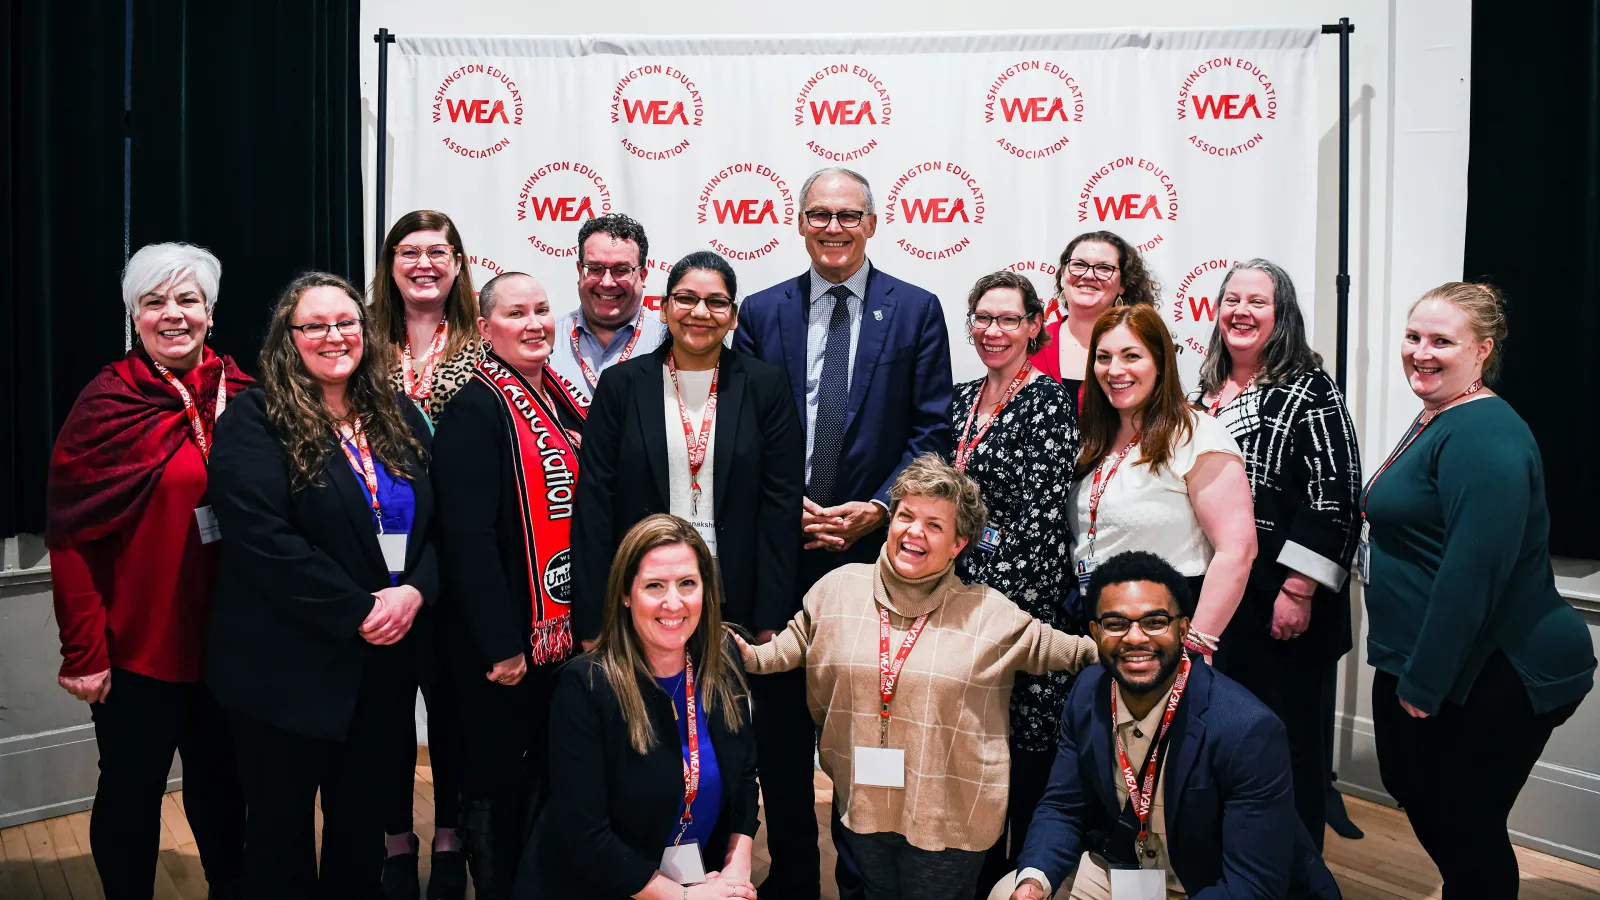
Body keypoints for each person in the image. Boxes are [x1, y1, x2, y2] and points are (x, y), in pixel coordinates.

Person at [730, 166, 953, 900]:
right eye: (820, 215)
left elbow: (931, 431)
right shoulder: (762, 311)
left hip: (875, 559)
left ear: (872, 224)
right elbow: (741, 426)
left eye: (848, 215)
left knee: (872, 726)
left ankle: (867, 877)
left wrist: (881, 508)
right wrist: (782, 504)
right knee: (780, 730)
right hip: (781, 552)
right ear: (800, 223)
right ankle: (794, 873)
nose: (834, 228)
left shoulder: (915, 309)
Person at [736, 455, 1098, 900]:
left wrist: (1136, 650)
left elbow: (1074, 652)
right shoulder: (838, 588)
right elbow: (796, 643)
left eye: (934, 525)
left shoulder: (989, 614)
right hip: (864, 802)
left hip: (949, 823)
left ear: (958, 544)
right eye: (906, 516)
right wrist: (750, 657)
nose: (914, 532)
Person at [207, 272, 437, 899]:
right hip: (286, 669)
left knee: (359, 834)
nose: (334, 336)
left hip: (380, 665)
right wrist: (358, 609)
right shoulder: (255, 419)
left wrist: (415, 591)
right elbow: (263, 540)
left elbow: (439, 524)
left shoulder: (396, 414)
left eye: (346, 322)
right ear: (289, 337)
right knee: (279, 840)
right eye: (315, 325)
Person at [1361, 282, 1595, 897]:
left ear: (1482, 350)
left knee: (1466, 826)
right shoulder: (1440, 414)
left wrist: (1426, 682)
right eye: (1413, 337)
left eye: (1442, 341)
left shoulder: (1485, 433)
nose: (1421, 352)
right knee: (1423, 795)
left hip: (1495, 666)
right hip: (1433, 656)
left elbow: (1475, 573)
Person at [46, 242, 249, 900]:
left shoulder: (248, 396)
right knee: (130, 796)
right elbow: (71, 536)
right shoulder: (107, 403)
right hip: (138, 652)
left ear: (211, 312)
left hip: (231, 647)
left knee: (227, 792)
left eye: (188, 300)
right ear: (135, 317)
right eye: (154, 302)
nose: (173, 314)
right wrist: (84, 652)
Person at [1007, 551, 1340, 900]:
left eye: (1154, 622)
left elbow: (1252, 886)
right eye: (1116, 623)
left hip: (1214, 885)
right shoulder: (1088, 692)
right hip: (1132, 874)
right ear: (1095, 632)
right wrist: (1033, 883)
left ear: (1183, 630)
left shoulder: (1247, 729)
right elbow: (1063, 808)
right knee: (1008, 892)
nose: (1135, 637)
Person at [1191, 259, 1361, 850]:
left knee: (1287, 746)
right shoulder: (1202, 391)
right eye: (1231, 300)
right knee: (1228, 740)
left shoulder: (1310, 389)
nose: (1241, 312)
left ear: (1281, 314)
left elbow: (1334, 494)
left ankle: (1295, 871)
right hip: (1222, 597)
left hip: (1280, 605)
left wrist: (1298, 589)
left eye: (1257, 302)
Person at [430, 272, 588, 900]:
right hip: (505, 643)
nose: (533, 323)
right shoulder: (476, 405)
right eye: (516, 313)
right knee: (497, 780)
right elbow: (467, 538)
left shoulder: (562, 397)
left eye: (542, 310)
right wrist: (501, 645)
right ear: (485, 327)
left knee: (548, 774)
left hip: (558, 633)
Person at [514, 515, 760, 900]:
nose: (673, 602)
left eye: (687, 583)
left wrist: (737, 868)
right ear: (626, 594)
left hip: (699, 881)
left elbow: (744, 775)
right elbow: (586, 836)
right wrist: (685, 898)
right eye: (654, 585)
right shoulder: (586, 686)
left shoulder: (722, 657)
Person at [572, 250, 804, 646]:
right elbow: (595, 505)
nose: (700, 312)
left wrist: (771, 616)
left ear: (733, 317)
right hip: (642, 595)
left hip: (737, 601)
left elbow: (780, 508)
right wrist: (593, 620)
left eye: (716, 302)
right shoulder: (621, 386)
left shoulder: (765, 387)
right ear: (663, 309)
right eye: (686, 298)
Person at [948, 271, 1082, 895]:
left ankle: (1022, 881)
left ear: (1034, 327)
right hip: (953, 597)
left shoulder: (1048, 401)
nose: (993, 330)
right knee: (971, 746)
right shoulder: (959, 399)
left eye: (1008, 319)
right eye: (983, 317)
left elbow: (1040, 517)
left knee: (1024, 753)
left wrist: (982, 587)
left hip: (1017, 605)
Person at [370, 209, 481, 899]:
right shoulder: (360, 341)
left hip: (459, 552)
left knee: (454, 710)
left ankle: (448, 837)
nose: (423, 264)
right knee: (384, 712)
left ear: (458, 263)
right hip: (378, 553)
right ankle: (393, 839)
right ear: (390, 265)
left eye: (438, 252)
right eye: (408, 252)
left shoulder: (483, 342)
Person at [1070, 304, 1256, 661]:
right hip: (1102, 624)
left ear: (1159, 362)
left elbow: (1238, 550)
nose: (1115, 370)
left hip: (1168, 630)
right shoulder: (1094, 439)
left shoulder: (1196, 434)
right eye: (1104, 357)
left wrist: (1197, 644)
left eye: (1131, 356)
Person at [1028, 231, 1158, 409]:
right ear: (1063, 276)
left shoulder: (1144, 345)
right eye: (1079, 265)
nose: (1089, 275)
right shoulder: (1031, 343)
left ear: (1122, 284)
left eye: (1104, 268)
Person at [549, 213, 669, 402]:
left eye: (621, 270)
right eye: (595, 269)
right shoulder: (548, 340)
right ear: (580, 272)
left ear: (642, 276)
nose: (607, 282)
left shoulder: (670, 341)